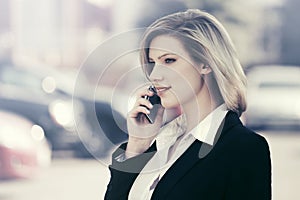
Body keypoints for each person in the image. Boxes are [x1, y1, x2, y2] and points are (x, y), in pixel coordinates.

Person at [104, 9, 271, 200]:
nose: (154, 75)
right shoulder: (161, 142)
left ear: (206, 63)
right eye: (152, 63)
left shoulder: (243, 147)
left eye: (169, 60)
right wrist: (137, 145)